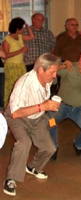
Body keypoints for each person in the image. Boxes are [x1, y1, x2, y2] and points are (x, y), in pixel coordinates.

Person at [3, 53, 61, 196]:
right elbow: (16, 113)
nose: (55, 76)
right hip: (17, 117)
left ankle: (33, 167)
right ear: (40, 70)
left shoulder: (45, 78)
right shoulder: (24, 84)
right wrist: (43, 106)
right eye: (52, 72)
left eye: (56, 71)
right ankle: (11, 179)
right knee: (24, 143)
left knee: (50, 147)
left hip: (37, 116)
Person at [2, 17, 34, 106]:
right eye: (22, 27)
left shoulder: (20, 36)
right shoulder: (7, 40)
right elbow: (6, 56)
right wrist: (21, 51)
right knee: (12, 87)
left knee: (21, 86)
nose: (24, 29)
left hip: (20, 65)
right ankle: (9, 107)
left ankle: (20, 105)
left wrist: (28, 27)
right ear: (17, 28)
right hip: (11, 66)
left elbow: (31, 37)